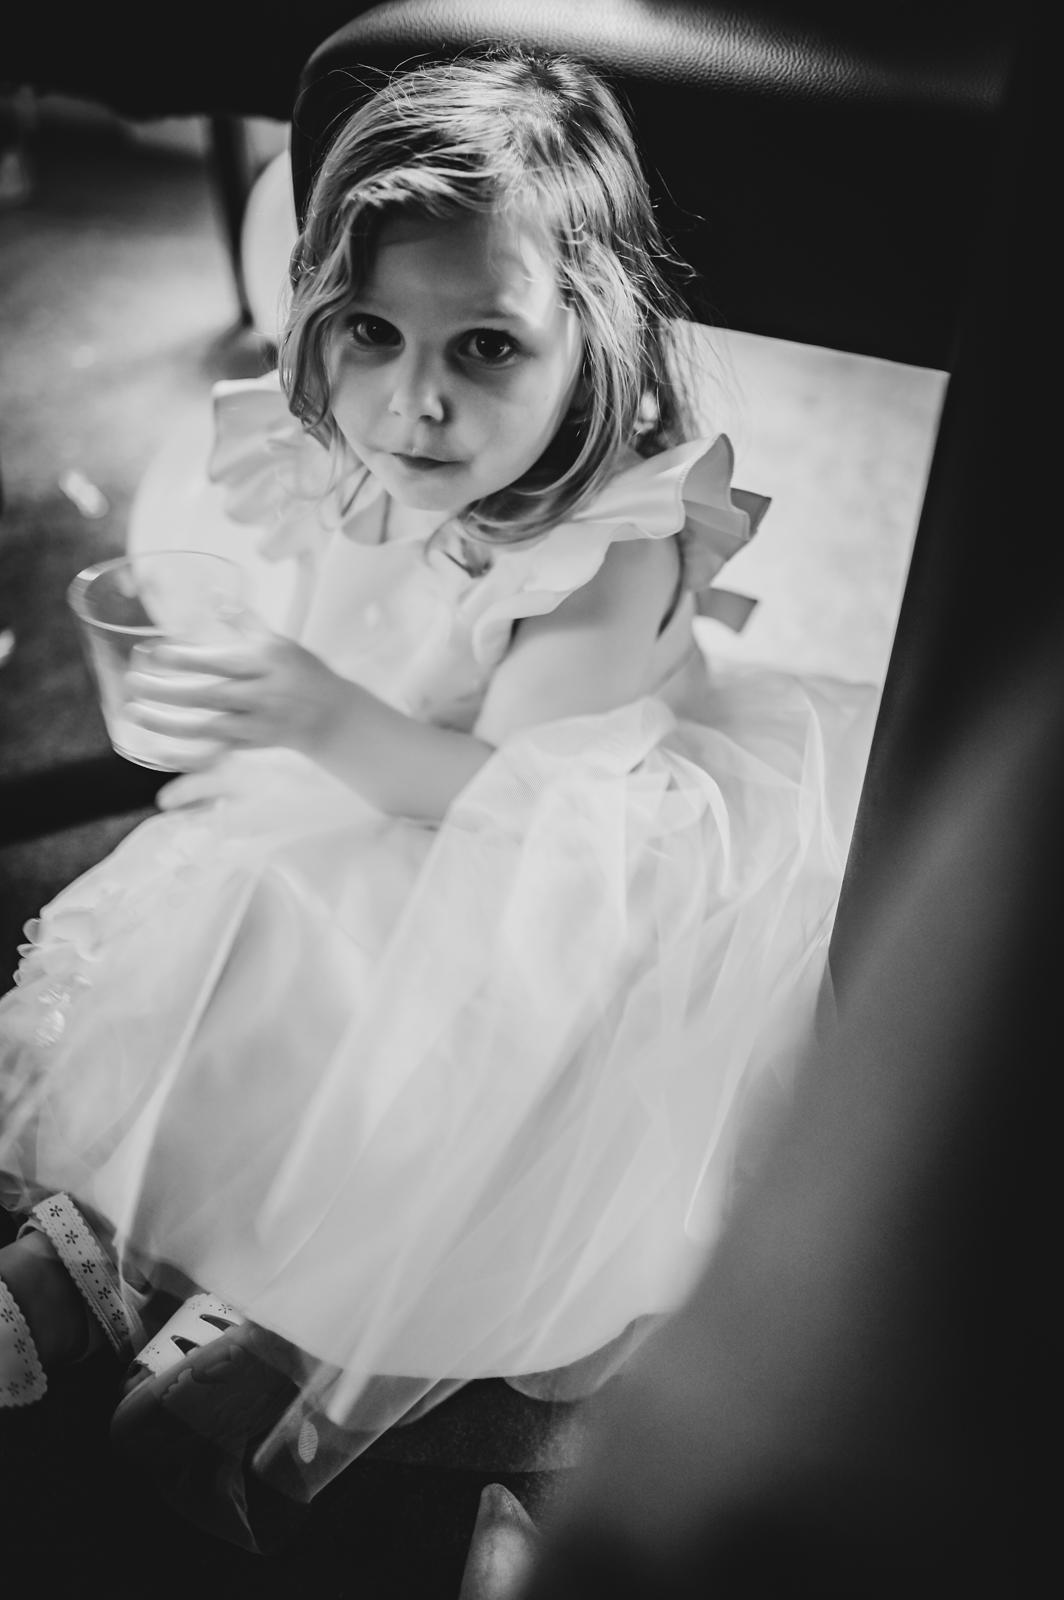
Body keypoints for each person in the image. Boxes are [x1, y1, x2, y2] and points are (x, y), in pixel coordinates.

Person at [0, 48, 876, 1551]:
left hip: (562, 862)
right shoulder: (350, 446)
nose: (413, 402)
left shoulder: (608, 551)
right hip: (382, 781)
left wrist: (315, 711)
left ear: (593, 342)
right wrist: (261, 694)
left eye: (486, 347)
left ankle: (285, 1316)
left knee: (411, 1043)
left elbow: (517, 814)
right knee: (222, 944)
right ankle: (110, 1256)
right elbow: (343, 623)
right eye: (371, 331)